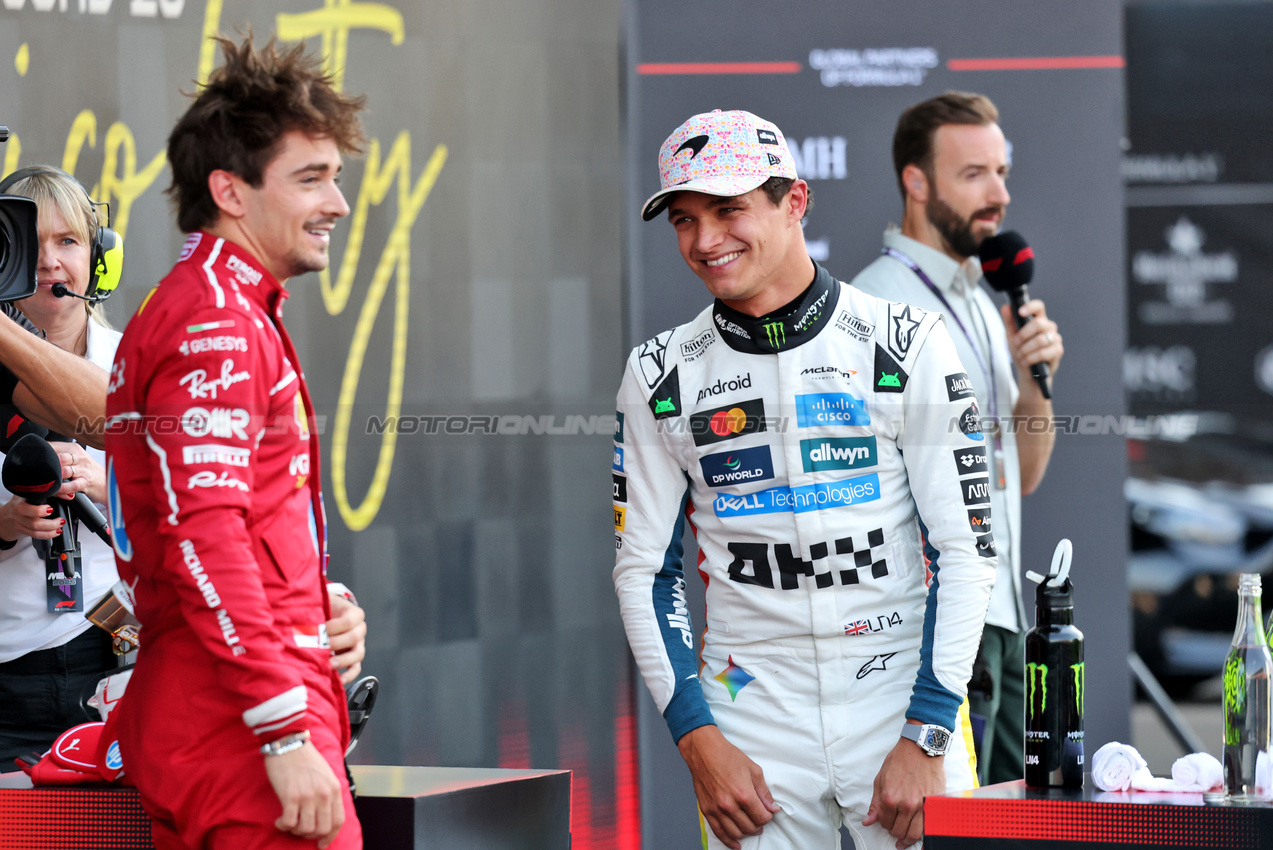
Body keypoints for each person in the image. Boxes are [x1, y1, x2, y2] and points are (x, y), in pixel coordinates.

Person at [614, 109, 996, 850]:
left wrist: (925, 734)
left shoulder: (903, 341)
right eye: (684, 220)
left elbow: (965, 550)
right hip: (747, 706)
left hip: (900, 694)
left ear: (794, 201)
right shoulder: (659, 372)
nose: (703, 241)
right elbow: (642, 572)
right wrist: (697, 740)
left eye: (728, 210)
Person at [104, 36, 367, 849]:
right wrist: (284, 734)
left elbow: (224, 530)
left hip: (228, 711)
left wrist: (307, 601)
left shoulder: (209, 305)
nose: (338, 204)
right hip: (238, 734)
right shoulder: (216, 322)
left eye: (336, 177)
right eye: (311, 178)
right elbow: (203, 536)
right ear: (231, 190)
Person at [848, 91, 1064, 786]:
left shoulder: (982, 295)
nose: (998, 194)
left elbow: (1022, 477)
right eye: (973, 174)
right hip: (934, 630)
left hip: (999, 617)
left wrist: (1034, 383)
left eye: (1001, 172)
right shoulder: (876, 304)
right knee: (950, 828)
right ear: (915, 182)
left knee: (1006, 823)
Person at [0, 165, 122, 761]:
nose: (49, 261)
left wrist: (112, 483)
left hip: (119, 665)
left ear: (98, 257)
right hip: (8, 681)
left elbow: (207, 505)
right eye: (30, 244)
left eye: (68, 241)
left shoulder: (138, 361)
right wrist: (6, 524)